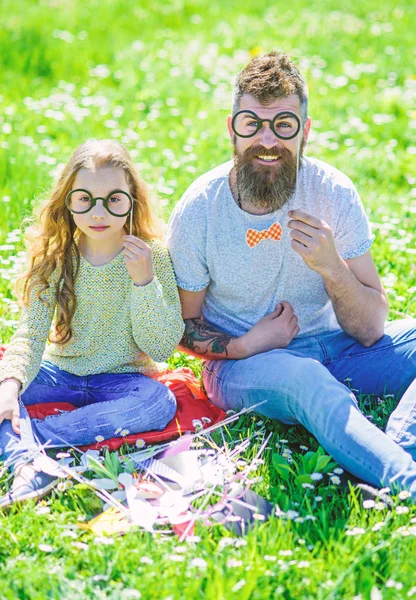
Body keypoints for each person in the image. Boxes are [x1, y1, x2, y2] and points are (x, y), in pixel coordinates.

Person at [166, 51, 416, 496]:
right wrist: (248, 343)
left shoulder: (332, 192)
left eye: (283, 125)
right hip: (245, 365)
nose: (267, 140)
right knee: (306, 381)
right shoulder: (201, 208)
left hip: (338, 349)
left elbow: (371, 327)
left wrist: (332, 268)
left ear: (305, 130)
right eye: (252, 124)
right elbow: (182, 326)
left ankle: (391, 452)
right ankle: (406, 481)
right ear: (232, 128)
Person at [0, 139, 184, 506]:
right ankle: (28, 461)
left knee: (158, 403)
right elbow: (32, 332)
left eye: (113, 199)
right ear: (67, 201)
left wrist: (143, 281)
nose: (99, 213)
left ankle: (27, 446)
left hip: (125, 380)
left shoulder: (152, 256)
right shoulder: (56, 257)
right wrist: (10, 386)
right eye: (85, 199)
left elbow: (161, 346)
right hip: (59, 372)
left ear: (133, 200)